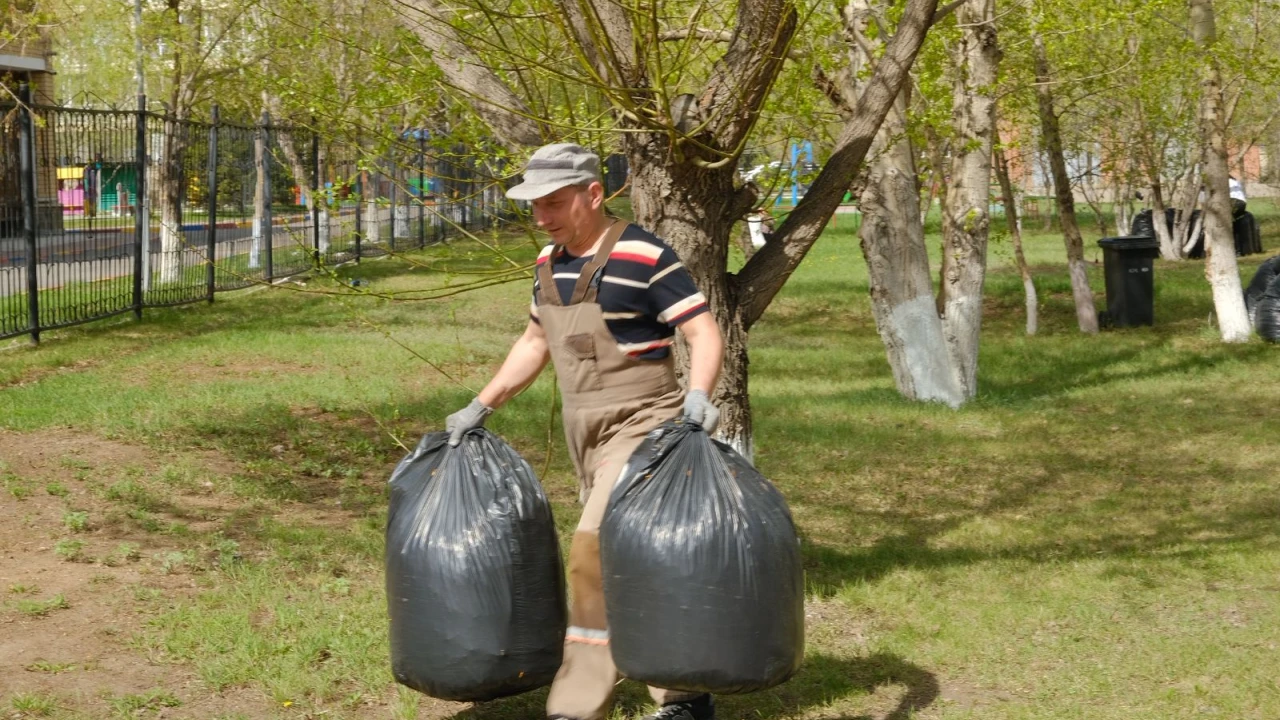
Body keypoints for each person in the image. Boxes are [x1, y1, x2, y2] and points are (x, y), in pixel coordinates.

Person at [445, 143, 724, 720]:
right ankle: (686, 689)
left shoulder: (645, 255)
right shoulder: (548, 264)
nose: (542, 216)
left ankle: (580, 702)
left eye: (554, 202)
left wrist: (699, 397)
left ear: (593, 194)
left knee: (591, 548)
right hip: (585, 432)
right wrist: (480, 405)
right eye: (535, 205)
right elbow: (534, 343)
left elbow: (702, 331)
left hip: (646, 423)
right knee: (636, 558)